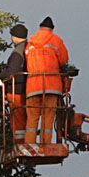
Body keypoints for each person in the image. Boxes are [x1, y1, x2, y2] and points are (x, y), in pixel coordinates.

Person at [24, 16, 69, 144]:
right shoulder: (56, 41)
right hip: (52, 86)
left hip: (33, 86)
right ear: (52, 29)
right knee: (48, 117)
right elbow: (63, 60)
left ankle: (29, 144)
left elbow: (26, 60)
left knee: (32, 118)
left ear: (40, 27)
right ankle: (45, 144)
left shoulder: (31, 43)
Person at [0, 24, 28, 144]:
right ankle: (23, 141)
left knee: (18, 118)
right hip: (27, 89)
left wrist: (1, 77)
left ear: (15, 37)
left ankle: (19, 143)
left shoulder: (17, 53)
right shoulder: (28, 48)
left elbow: (12, 71)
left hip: (16, 90)